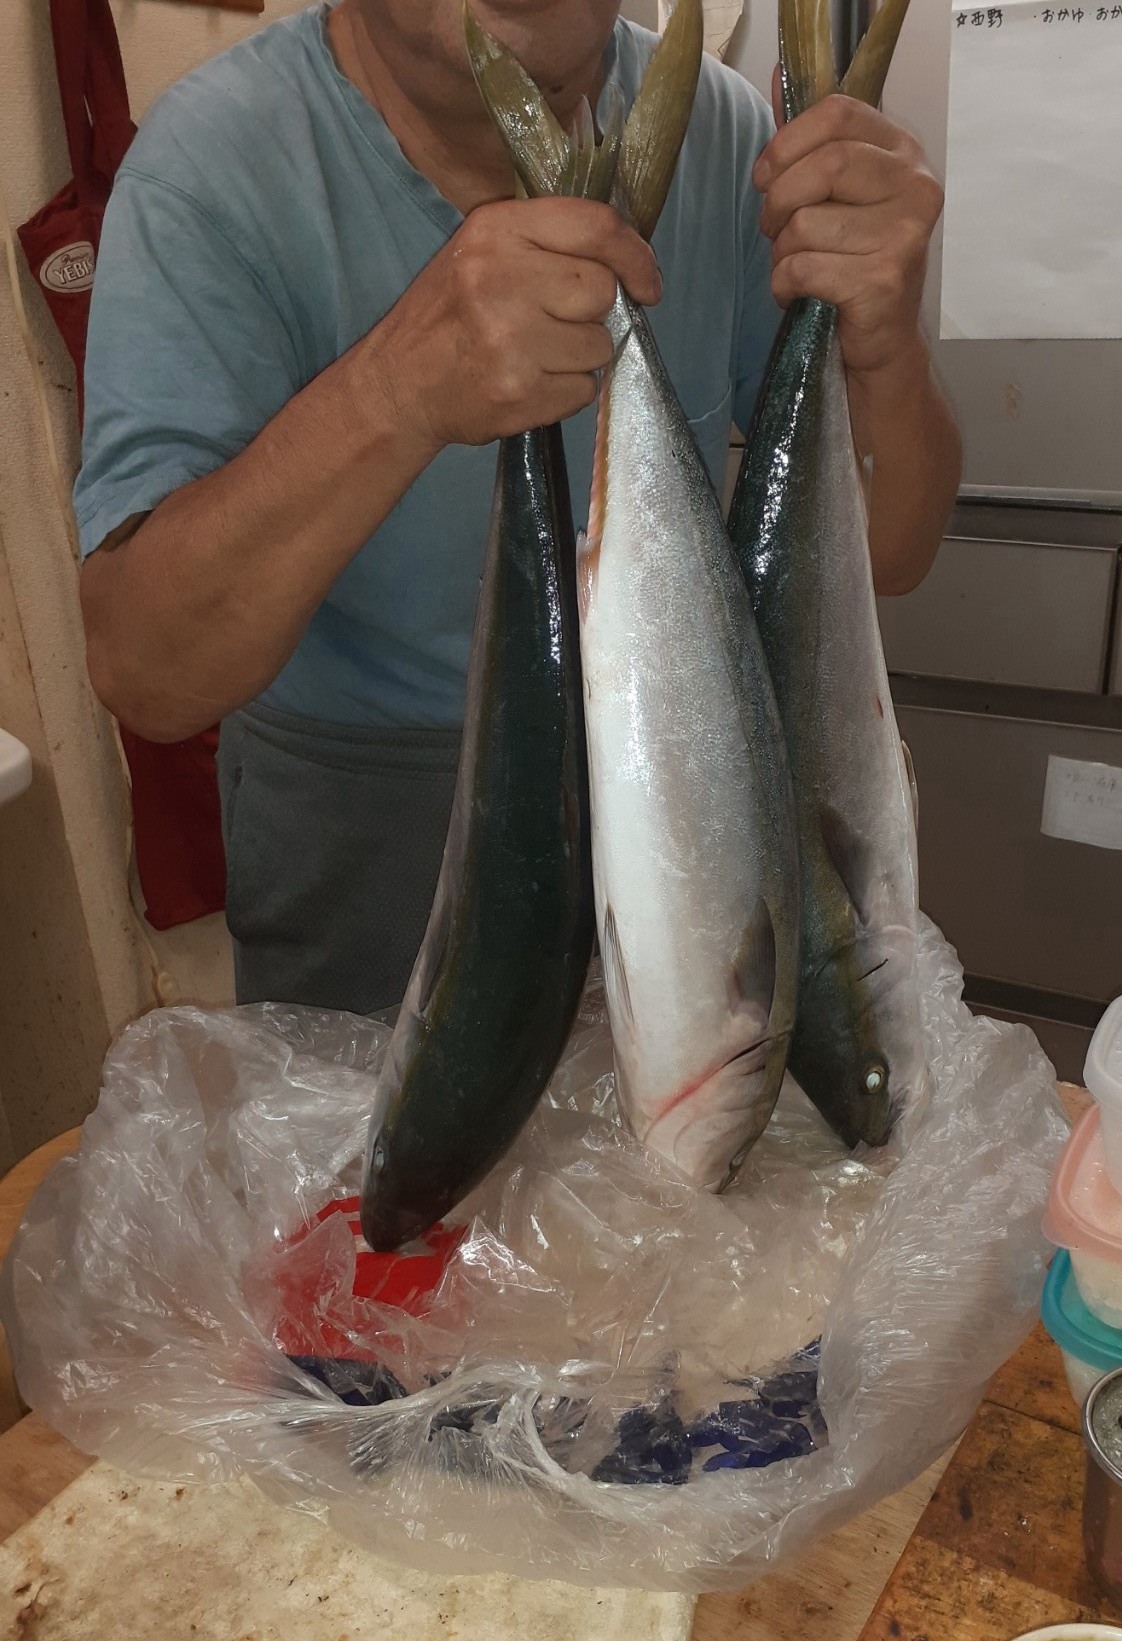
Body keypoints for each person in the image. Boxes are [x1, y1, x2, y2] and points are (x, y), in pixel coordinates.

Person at [75, 0, 960, 1015]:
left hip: (690, 805)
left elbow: (894, 551)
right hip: (369, 852)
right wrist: (394, 390)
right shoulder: (206, 167)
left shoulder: (731, 141)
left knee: (699, 1110)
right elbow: (147, 671)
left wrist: (889, 348)